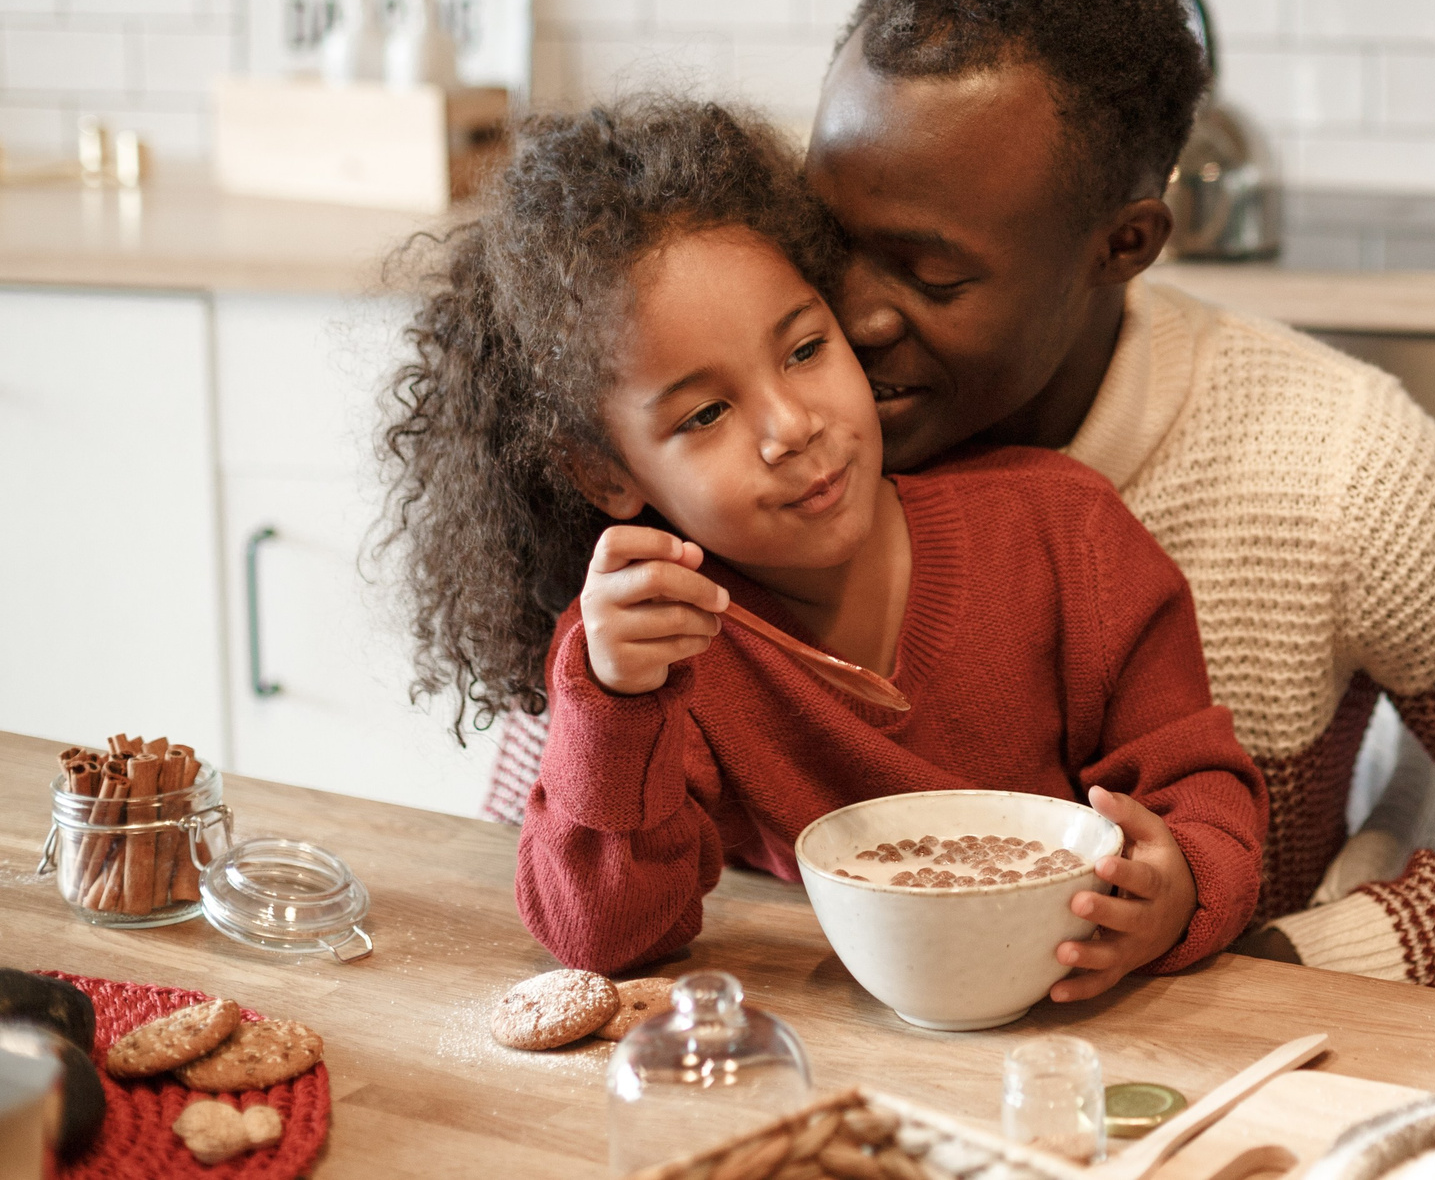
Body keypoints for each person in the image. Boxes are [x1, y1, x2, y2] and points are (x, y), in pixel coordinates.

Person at [383, 98, 1265, 985]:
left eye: (804, 348)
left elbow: (1204, 791)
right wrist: (613, 702)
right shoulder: (649, 649)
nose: (791, 427)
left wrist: (1180, 889)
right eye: (706, 413)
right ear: (606, 473)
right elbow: (605, 938)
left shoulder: (1067, 535)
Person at [807, 0, 1435, 990]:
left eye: (932, 275)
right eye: (827, 242)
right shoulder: (755, 430)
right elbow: (534, 827)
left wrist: (1289, 962)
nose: (849, 320)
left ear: (1122, 245)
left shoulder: (1348, 468)